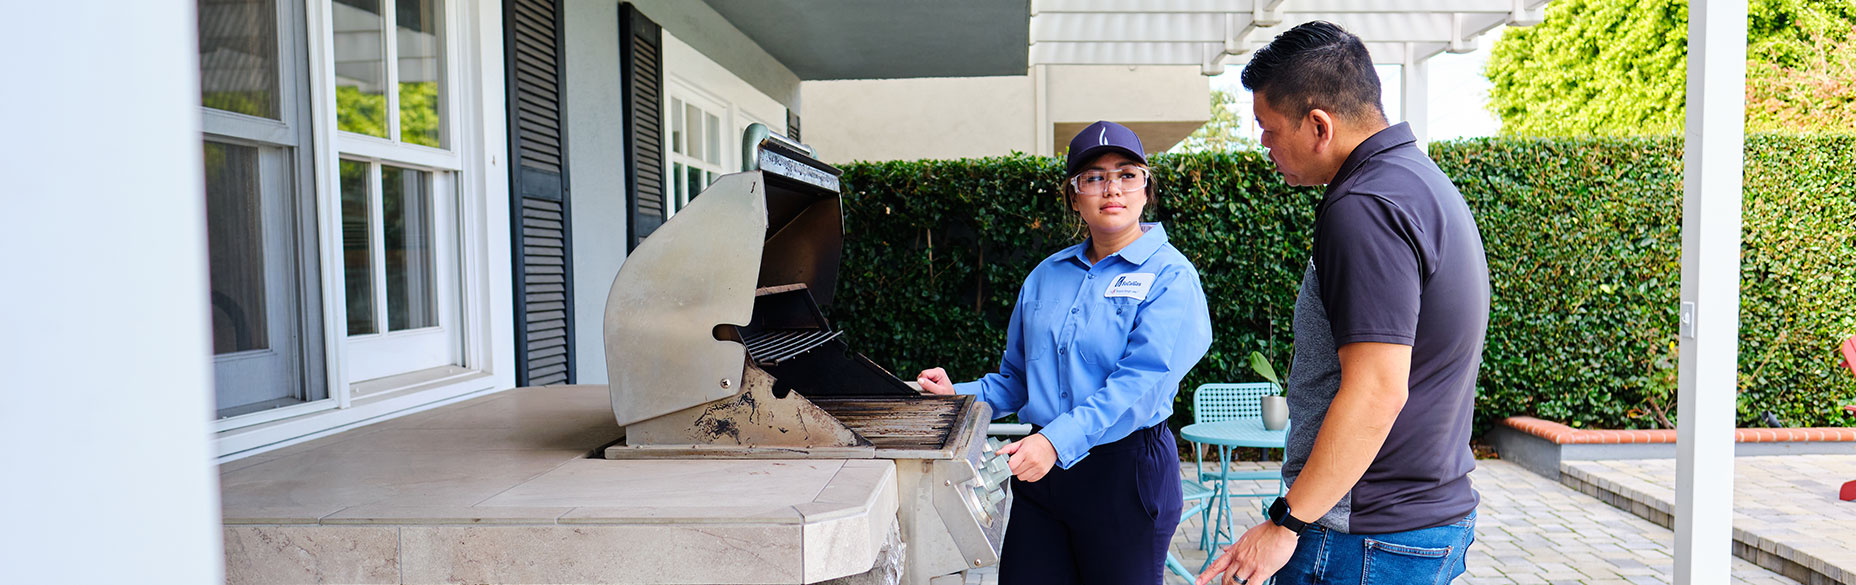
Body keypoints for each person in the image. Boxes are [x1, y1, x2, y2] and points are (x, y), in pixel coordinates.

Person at [1197, 21, 1491, 585]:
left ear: (1318, 125)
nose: (1263, 143)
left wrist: (1286, 522)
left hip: (1365, 536)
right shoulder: (1419, 182)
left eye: (1268, 127)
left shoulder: (1362, 205)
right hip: (1416, 522)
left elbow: (1379, 388)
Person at [915, 120, 1213, 585]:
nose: (1111, 188)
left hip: (1124, 473)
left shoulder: (1171, 276)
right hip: (1042, 473)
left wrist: (1056, 441)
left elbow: (1139, 382)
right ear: (1074, 196)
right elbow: (1016, 379)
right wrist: (957, 394)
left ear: (1146, 188)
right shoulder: (1045, 276)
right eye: (1093, 177)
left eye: (1127, 174)